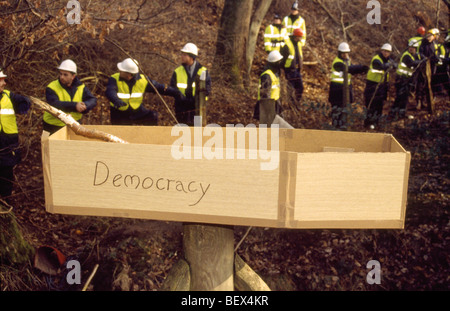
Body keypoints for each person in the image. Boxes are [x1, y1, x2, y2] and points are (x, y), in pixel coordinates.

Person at [106, 58, 182, 125]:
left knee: (152, 116)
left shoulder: (143, 80)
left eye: (121, 70)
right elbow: (110, 91)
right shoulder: (114, 78)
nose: (119, 71)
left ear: (129, 75)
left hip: (136, 111)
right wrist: (116, 100)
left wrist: (175, 92)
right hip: (119, 113)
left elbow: (159, 87)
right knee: (121, 134)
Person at [0, 69, 31, 200]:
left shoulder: (9, 96)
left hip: (7, 144)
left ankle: (5, 203)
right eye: (0, 80)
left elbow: (26, 103)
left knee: (6, 176)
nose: (4, 83)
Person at [44, 59, 97, 134]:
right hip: (53, 125)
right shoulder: (51, 87)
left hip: (74, 125)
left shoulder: (81, 87)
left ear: (73, 76)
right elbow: (55, 104)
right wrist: (75, 106)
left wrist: (85, 106)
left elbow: (93, 99)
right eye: (61, 74)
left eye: (65, 74)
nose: (62, 77)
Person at [328, 42, 368, 130]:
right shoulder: (337, 62)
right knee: (337, 110)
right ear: (339, 53)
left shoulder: (347, 60)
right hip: (336, 90)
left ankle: (343, 126)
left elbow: (352, 68)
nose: (345, 54)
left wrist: (361, 69)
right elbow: (348, 69)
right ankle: (336, 127)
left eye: (346, 53)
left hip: (345, 89)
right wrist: (361, 67)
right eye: (343, 53)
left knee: (345, 109)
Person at [170, 43, 211, 125]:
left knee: (196, 135)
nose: (182, 56)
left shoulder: (203, 71)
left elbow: (207, 90)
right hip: (181, 108)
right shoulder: (177, 72)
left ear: (192, 57)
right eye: (182, 54)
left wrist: (195, 100)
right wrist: (180, 97)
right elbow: (172, 89)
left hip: (197, 108)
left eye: (185, 55)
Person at [364, 43, 396, 129]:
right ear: (382, 51)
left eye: (388, 52)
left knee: (379, 105)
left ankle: (376, 122)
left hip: (382, 86)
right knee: (371, 105)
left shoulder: (389, 60)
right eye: (385, 51)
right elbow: (382, 67)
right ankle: (369, 123)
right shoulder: (376, 59)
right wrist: (390, 65)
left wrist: (393, 64)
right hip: (372, 85)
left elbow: (395, 65)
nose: (386, 53)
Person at [390, 39, 421, 120]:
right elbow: (412, 63)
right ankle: (393, 114)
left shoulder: (415, 55)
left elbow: (420, 58)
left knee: (404, 98)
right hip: (401, 79)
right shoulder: (406, 55)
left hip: (406, 80)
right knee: (400, 97)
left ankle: (401, 114)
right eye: (410, 47)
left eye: (413, 47)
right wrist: (422, 61)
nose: (411, 48)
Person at [253, 50, 283, 122]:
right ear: (275, 63)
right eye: (279, 61)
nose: (280, 63)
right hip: (269, 106)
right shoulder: (267, 75)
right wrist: (268, 111)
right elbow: (265, 94)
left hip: (275, 104)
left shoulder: (275, 73)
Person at [417, 28, 440, 111]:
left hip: (432, 67)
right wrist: (425, 59)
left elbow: (436, 54)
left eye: (431, 36)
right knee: (421, 84)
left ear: (433, 37)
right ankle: (419, 101)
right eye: (428, 35)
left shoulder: (435, 44)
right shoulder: (423, 44)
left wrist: (438, 59)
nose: (429, 37)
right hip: (423, 67)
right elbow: (420, 53)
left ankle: (428, 101)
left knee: (430, 84)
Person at [280, 28, 304, 104]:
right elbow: (282, 58)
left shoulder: (299, 44)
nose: (301, 39)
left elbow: (299, 56)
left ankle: (296, 103)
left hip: (297, 70)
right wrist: (283, 69)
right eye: (300, 37)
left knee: (300, 88)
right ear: (296, 37)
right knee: (290, 89)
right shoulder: (287, 45)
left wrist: (300, 66)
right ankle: (290, 105)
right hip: (289, 70)